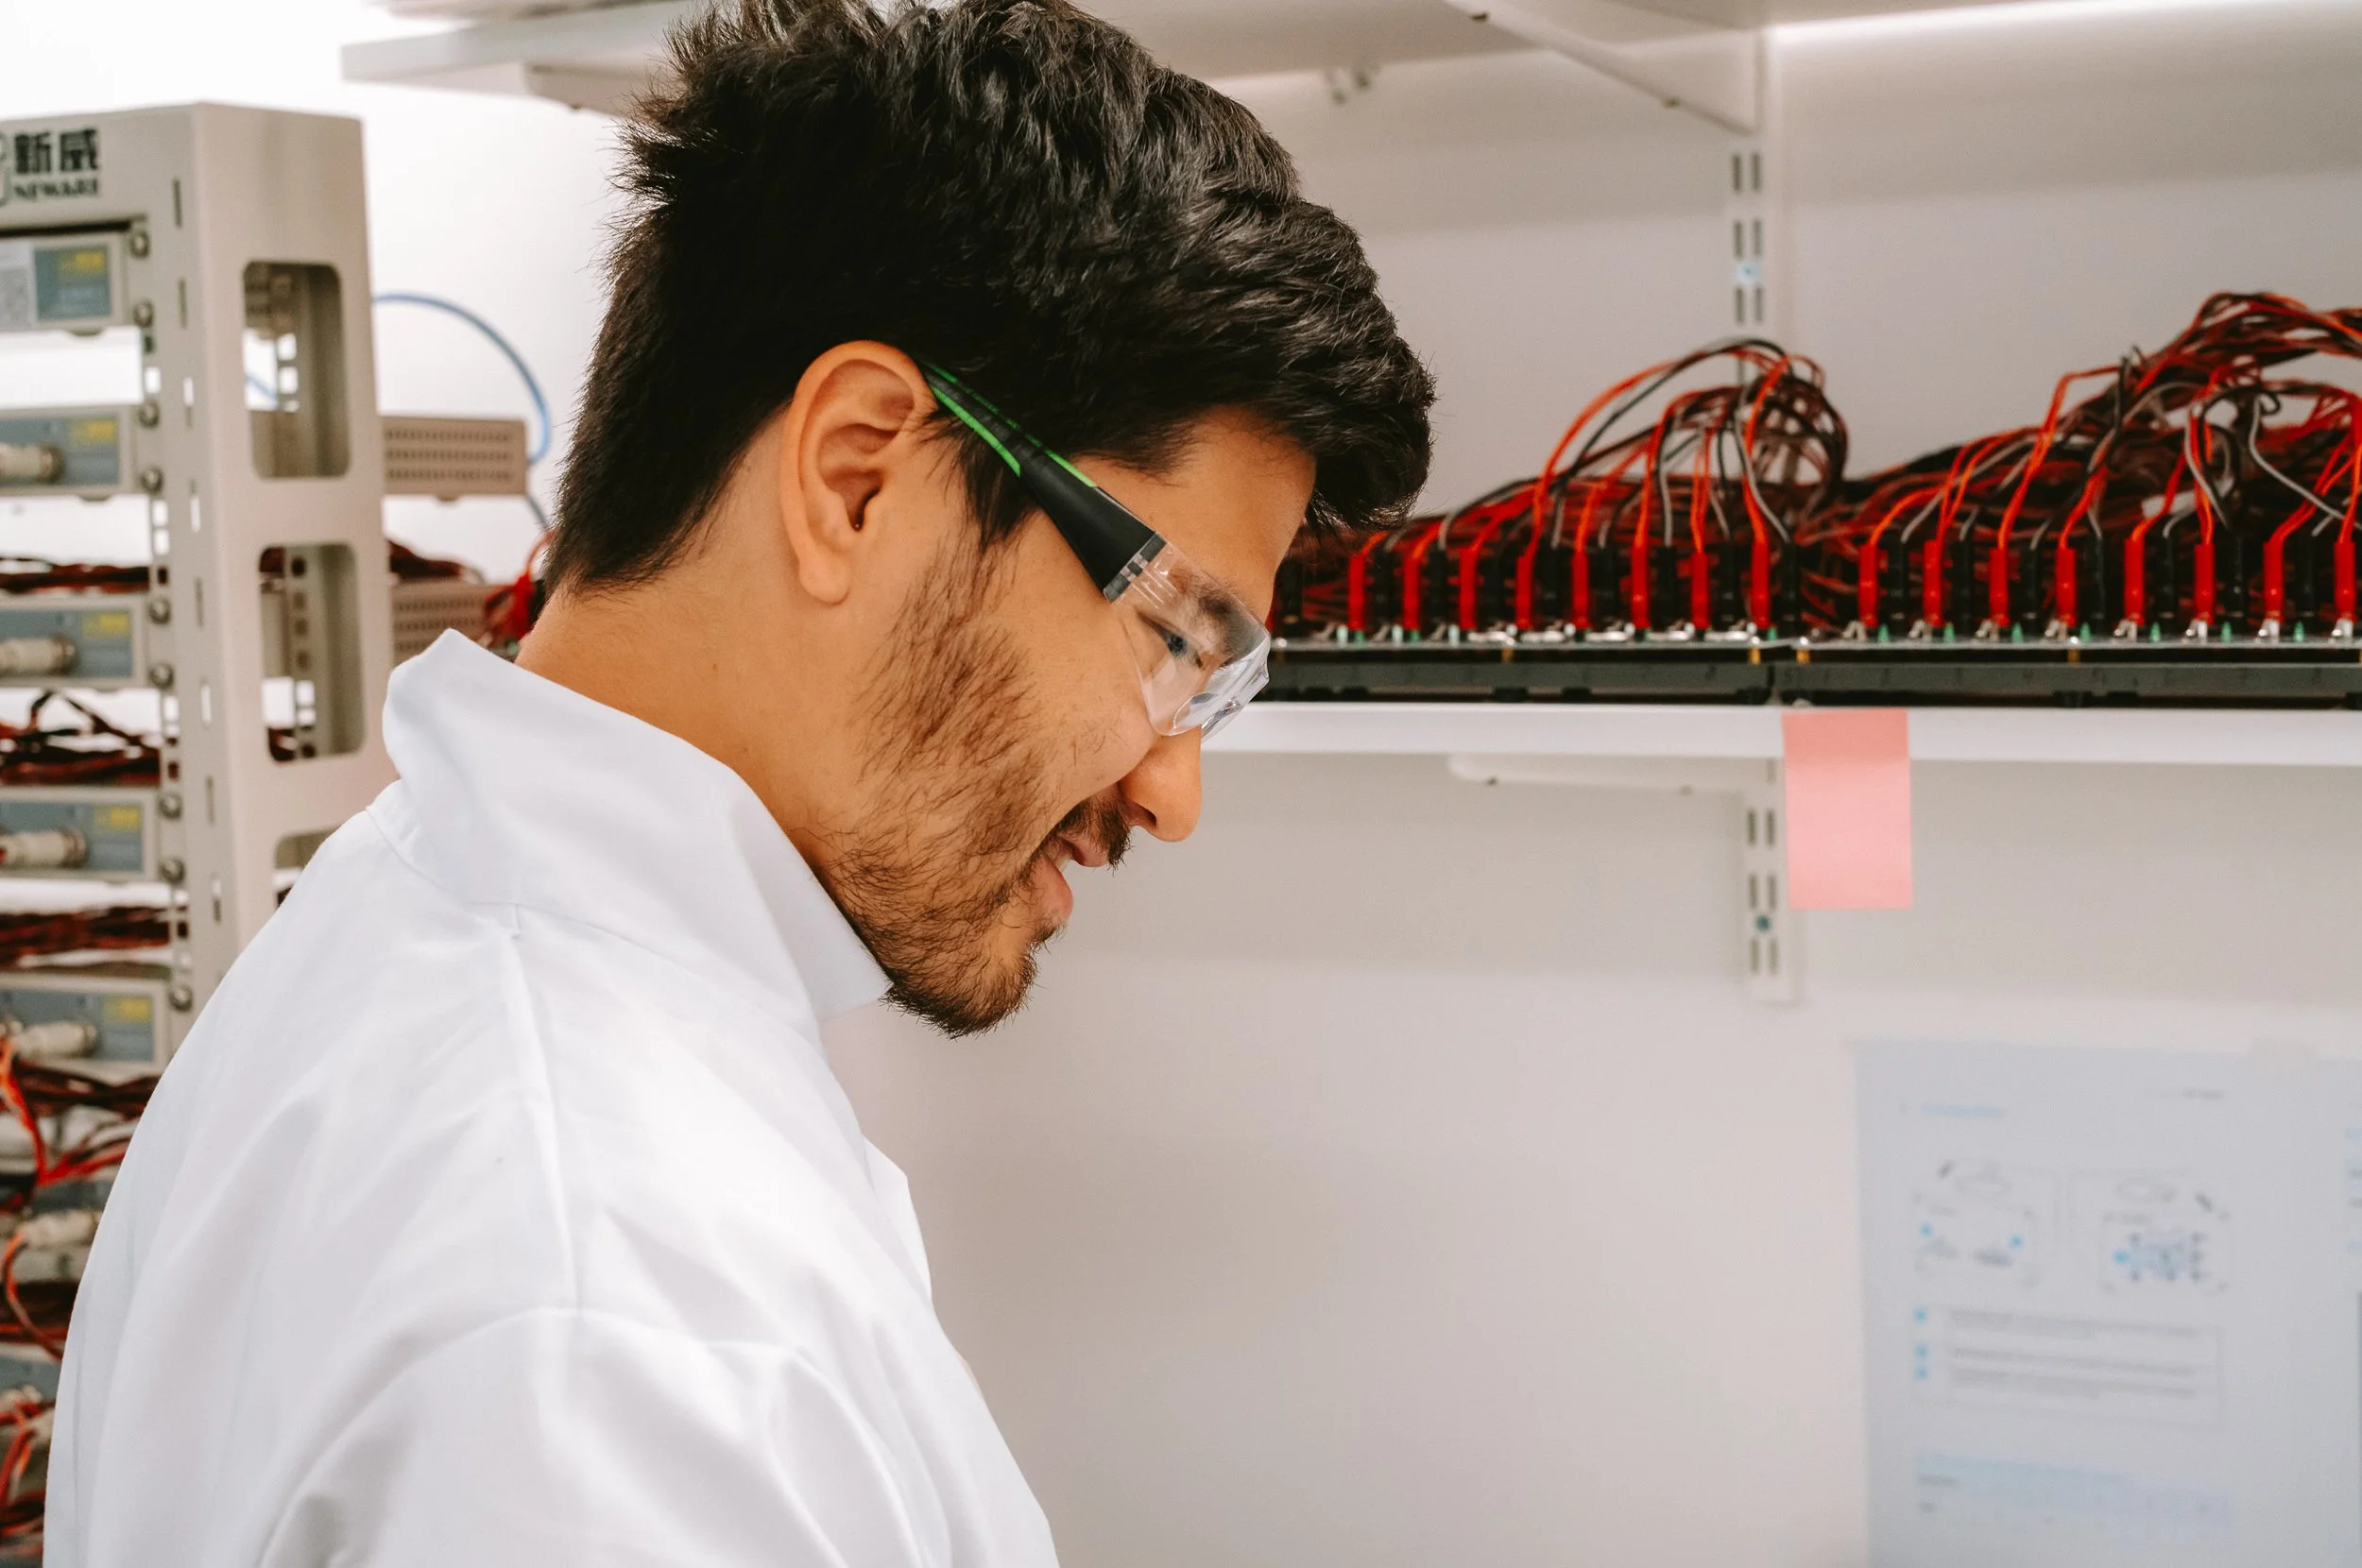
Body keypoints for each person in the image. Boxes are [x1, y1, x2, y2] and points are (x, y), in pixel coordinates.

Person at [45, 0, 1431, 1561]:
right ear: (858, 473)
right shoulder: (602, 1340)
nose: (1175, 794)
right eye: (1178, 636)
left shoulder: (410, 922)